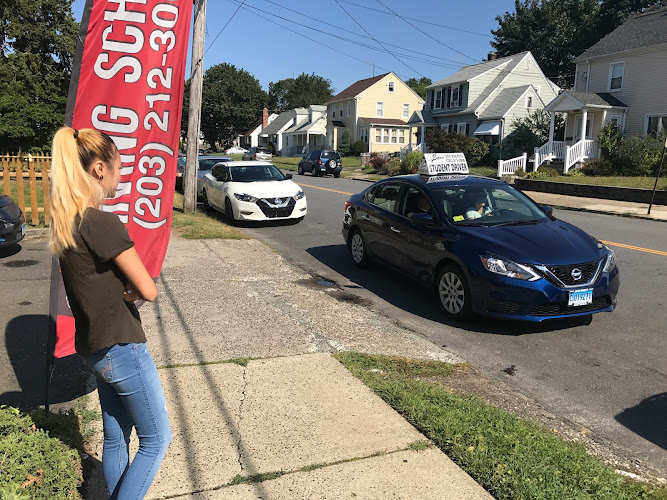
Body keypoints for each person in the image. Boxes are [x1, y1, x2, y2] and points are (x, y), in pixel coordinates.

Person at [48, 127, 171, 499]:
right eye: (119, 166)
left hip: (96, 349)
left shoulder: (67, 223)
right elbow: (147, 289)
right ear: (100, 168)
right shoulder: (100, 222)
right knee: (156, 440)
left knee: (116, 436)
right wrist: (133, 289)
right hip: (123, 346)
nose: (122, 174)